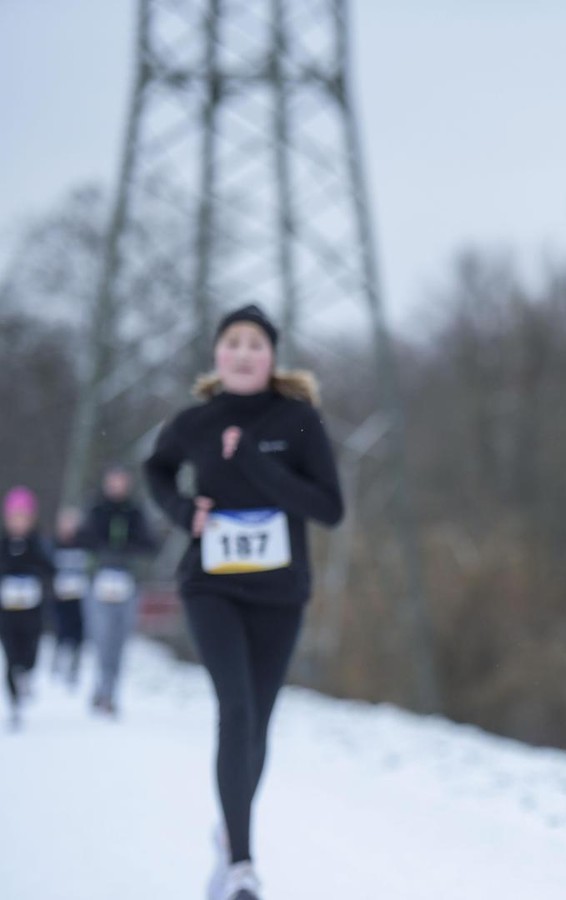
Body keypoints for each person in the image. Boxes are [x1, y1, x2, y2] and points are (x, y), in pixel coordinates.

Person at [144, 303, 343, 900]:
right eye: (232, 341)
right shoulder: (194, 422)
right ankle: (242, 864)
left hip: (280, 592)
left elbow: (329, 509)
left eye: (255, 343)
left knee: (257, 722)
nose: (243, 351)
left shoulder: (298, 420)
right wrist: (184, 512)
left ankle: (228, 832)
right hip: (211, 585)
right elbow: (156, 470)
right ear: (217, 355)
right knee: (234, 709)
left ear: (271, 356)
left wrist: (254, 462)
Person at [79, 464, 159, 714]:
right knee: (101, 638)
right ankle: (101, 686)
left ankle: (111, 690)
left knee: (119, 641)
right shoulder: (95, 509)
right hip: (99, 583)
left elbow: (149, 544)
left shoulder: (135, 512)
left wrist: (126, 551)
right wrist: (104, 551)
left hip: (127, 584)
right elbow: (83, 539)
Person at [1, 486, 55, 730]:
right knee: (10, 655)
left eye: (23, 517)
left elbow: (50, 569)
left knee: (30, 651)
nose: (19, 523)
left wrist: (34, 579)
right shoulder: (3, 544)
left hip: (32, 610)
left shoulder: (38, 543)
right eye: (14, 517)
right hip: (7, 611)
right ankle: (14, 705)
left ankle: (27, 674)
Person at [48, 506, 92, 686]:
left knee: (78, 630)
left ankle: (74, 663)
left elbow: (90, 568)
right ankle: (58, 659)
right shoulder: (52, 544)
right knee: (61, 628)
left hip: (79, 597)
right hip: (60, 597)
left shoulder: (84, 544)